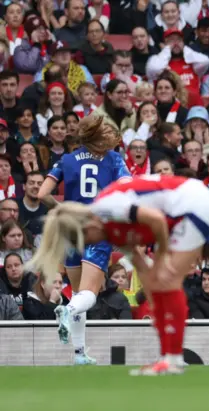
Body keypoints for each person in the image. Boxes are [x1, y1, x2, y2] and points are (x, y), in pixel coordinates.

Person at [28, 174, 209, 375]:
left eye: (83, 241)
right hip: (183, 210)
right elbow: (141, 264)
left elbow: (157, 221)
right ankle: (167, 358)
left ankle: (172, 359)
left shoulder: (108, 208)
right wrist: (155, 299)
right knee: (160, 286)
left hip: (194, 204)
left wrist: (161, 258)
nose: (87, 246)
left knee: (168, 281)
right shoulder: (110, 230)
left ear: (86, 228)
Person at [35, 115, 128, 366]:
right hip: (97, 228)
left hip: (71, 229)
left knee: (77, 292)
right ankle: (66, 311)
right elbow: (128, 188)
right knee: (89, 294)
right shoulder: (113, 159)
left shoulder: (66, 159)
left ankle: (78, 354)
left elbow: (42, 194)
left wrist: (64, 210)